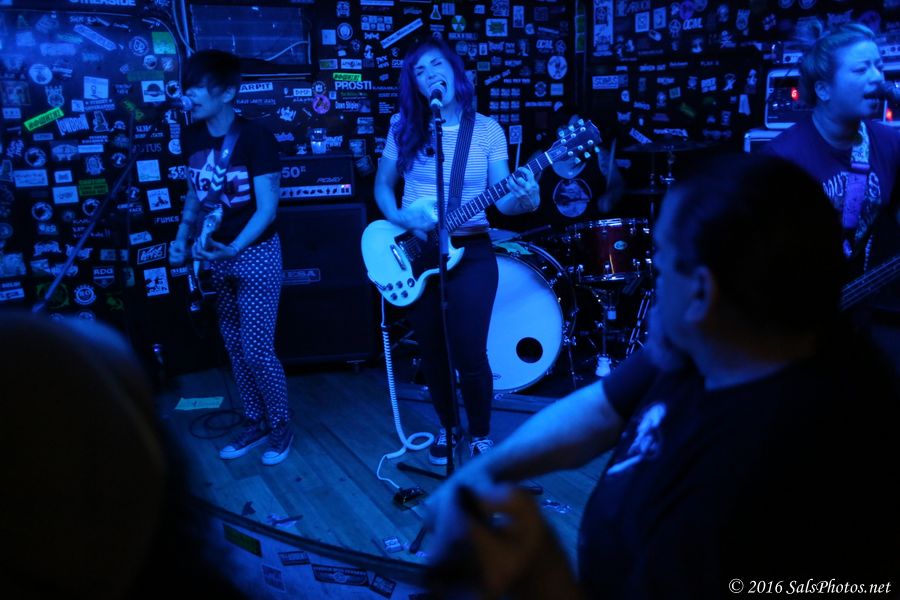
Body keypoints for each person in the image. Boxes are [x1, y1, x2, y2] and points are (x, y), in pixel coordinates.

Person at [424, 154, 900, 598]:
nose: (653, 277)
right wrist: (483, 473)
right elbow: (600, 409)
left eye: (661, 262)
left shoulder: (756, 477)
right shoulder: (705, 346)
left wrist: (539, 573)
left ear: (702, 292)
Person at [374, 37, 540, 465]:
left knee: (470, 351)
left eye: (437, 66)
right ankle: (449, 429)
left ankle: (481, 434)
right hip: (415, 250)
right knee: (431, 350)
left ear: (455, 71)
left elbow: (505, 202)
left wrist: (527, 197)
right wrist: (402, 216)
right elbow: (382, 186)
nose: (430, 75)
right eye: (420, 71)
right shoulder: (402, 126)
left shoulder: (487, 130)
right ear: (414, 85)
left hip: (472, 250)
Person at [170, 50, 292, 466]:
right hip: (216, 255)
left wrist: (235, 247)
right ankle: (255, 422)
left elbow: (267, 209)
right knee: (235, 347)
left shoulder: (256, 138)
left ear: (227, 93)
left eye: (197, 87)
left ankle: (281, 426)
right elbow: (194, 192)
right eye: (186, 86)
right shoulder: (190, 136)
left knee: (257, 350)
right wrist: (182, 235)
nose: (188, 95)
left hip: (254, 253)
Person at [763, 23, 900, 275]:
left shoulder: (890, 143)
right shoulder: (781, 159)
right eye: (861, 69)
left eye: (879, 67)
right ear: (824, 89)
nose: (877, 78)